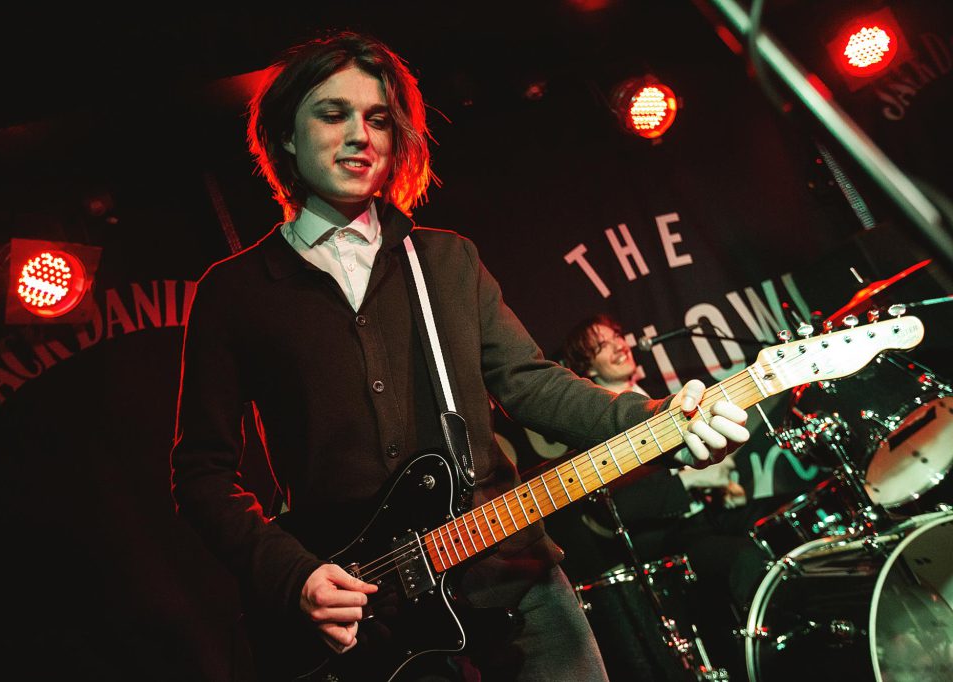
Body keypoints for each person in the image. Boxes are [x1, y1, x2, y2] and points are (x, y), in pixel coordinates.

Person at [169, 31, 750, 682]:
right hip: (366, 614)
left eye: (378, 119)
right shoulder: (237, 293)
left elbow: (532, 385)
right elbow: (202, 474)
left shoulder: (446, 259)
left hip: (514, 574)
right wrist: (292, 574)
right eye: (333, 114)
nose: (360, 135)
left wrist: (660, 420)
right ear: (284, 135)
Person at [551, 313, 785, 676]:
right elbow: (619, 505)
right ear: (588, 368)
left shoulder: (657, 395)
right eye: (601, 346)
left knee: (780, 521)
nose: (618, 345)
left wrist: (719, 487)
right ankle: (772, 661)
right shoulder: (597, 426)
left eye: (616, 335)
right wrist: (690, 483)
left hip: (703, 518)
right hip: (664, 545)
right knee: (744, 558)